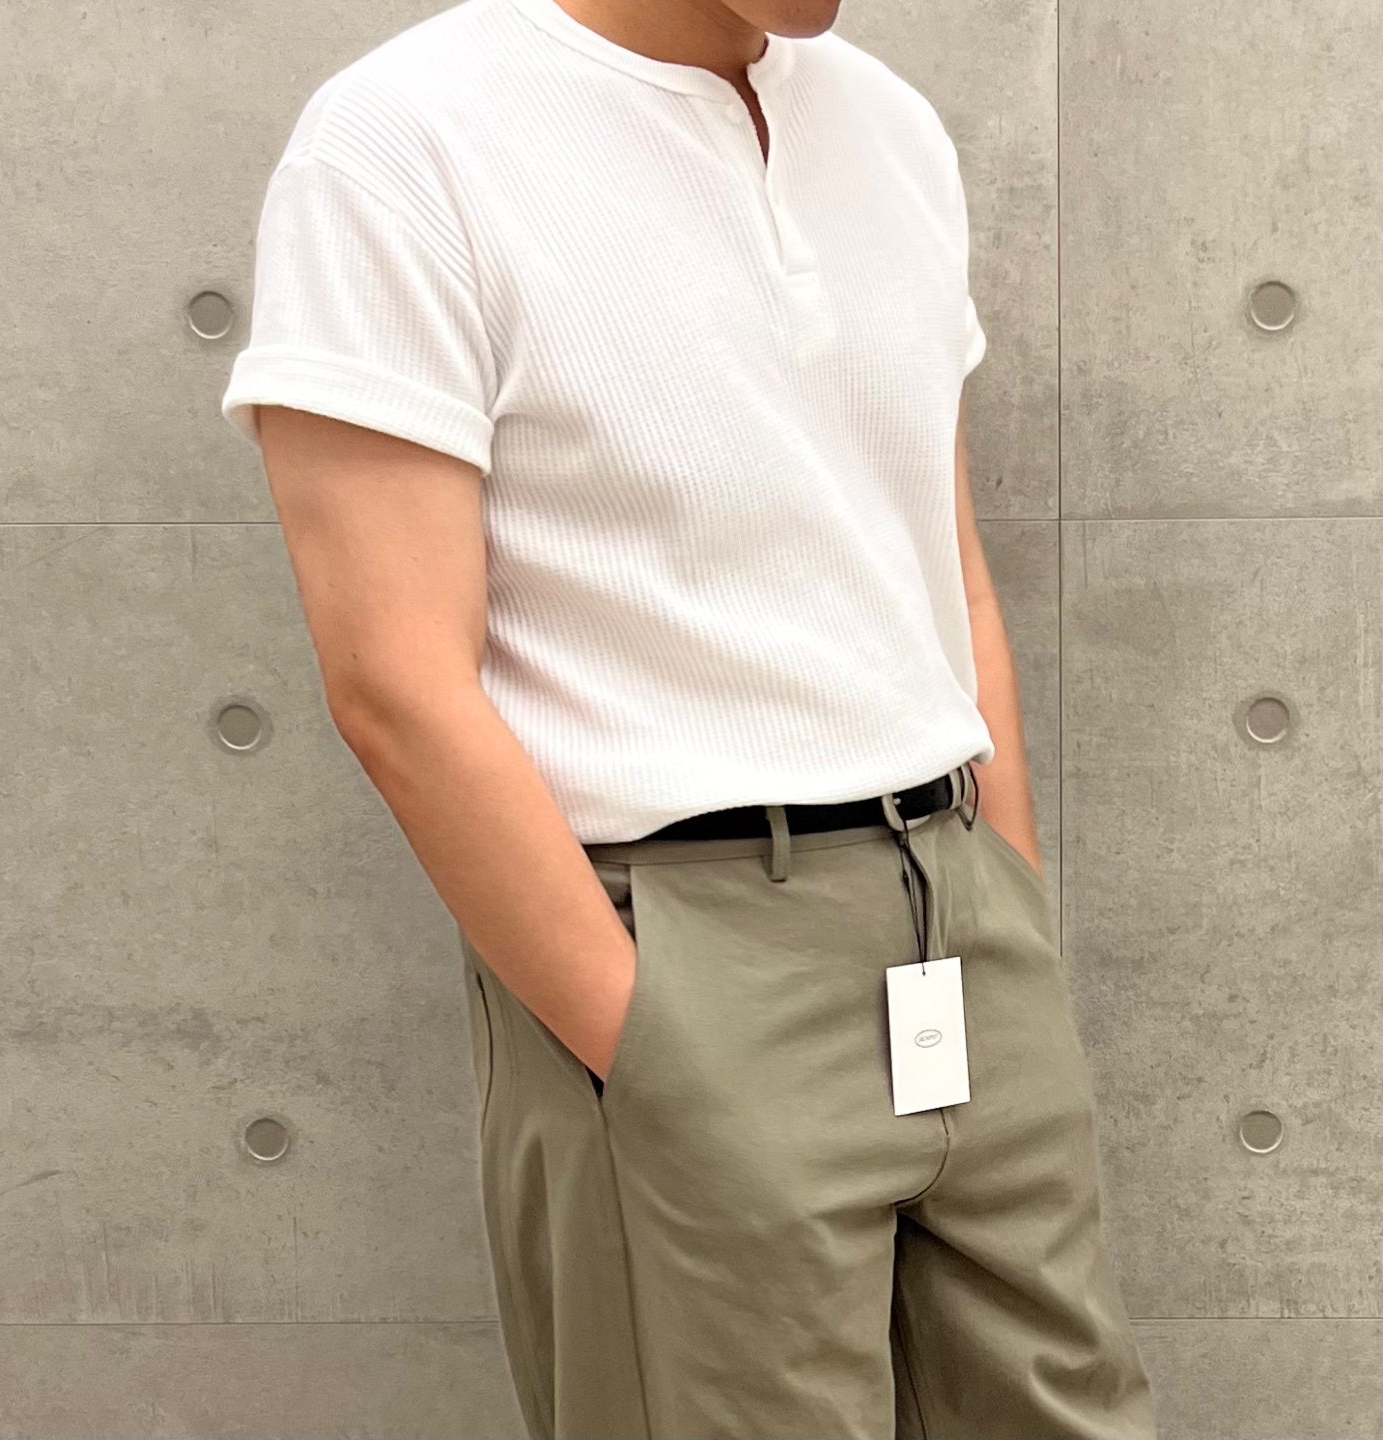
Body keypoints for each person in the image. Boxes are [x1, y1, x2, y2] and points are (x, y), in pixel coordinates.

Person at [221, 0, 1159, 1434]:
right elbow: (397, 685)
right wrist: (648, 1045)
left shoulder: (890, 127)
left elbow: (942, 571)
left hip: (963, 931)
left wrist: (1011, 910)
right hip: (680, 947)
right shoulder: (406, 140)